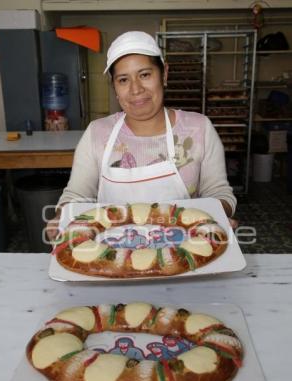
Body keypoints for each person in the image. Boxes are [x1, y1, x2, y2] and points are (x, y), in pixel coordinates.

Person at [47, 31, 237, 241]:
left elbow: (219, 192)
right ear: (114, 87)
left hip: (184, 252)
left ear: (164, 74)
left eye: (145, 75)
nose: (135, 89)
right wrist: (62, 216)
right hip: (110, 253)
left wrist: (215, 215)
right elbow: (77, 196)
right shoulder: (98, 133)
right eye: (123, 80)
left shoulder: (198, 129)